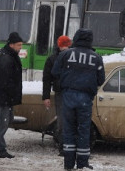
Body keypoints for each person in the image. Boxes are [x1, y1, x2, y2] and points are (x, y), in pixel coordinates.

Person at [51, 29, 105, 170]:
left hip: (68, 95)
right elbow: (101, 79)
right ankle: (82, 163)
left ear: (75, 38)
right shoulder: (96, 57)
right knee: (83, 130)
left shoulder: (65, 54)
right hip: (86, 98)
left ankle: (68, 163)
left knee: (68, 129)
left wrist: (67, 78)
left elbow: (55, 72)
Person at [42, 35, 72, 155]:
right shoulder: (54, 59)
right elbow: (47, 79)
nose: (65, 48)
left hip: (65, 92)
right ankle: (64, 147)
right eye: (64, 45)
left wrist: (46, 96)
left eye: (67, 45)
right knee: (63, 121)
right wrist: (46, 96)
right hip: (64, 92)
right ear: (59, 46)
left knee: (64, 120)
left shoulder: (53, 59)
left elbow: (47, 79)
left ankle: (65, 146)